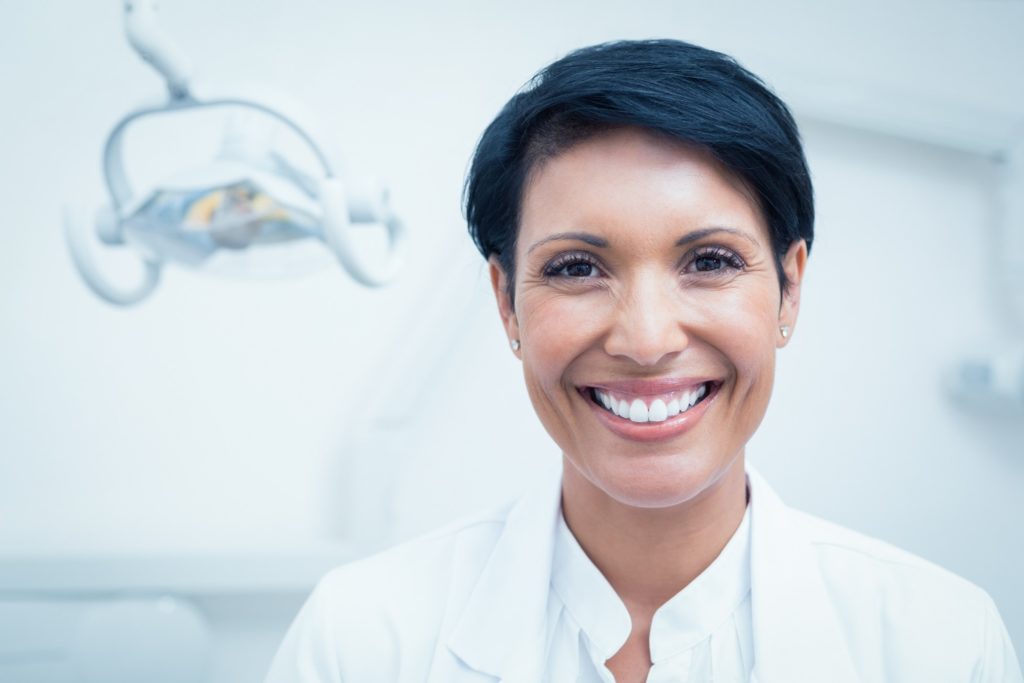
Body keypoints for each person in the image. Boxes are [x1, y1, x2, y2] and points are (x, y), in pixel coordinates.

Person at [266, 39, 1022, 682]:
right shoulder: (363, 639)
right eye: (575, 268)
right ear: (507, 303)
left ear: (789, 289)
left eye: (711, 259)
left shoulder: (941, 643)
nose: (647, 337)